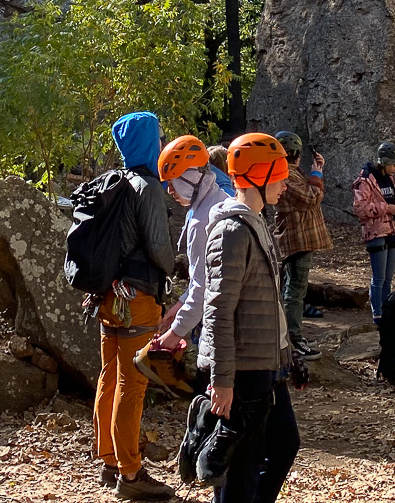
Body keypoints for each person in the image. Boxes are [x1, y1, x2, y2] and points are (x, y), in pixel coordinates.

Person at [201, 133, 300, 503]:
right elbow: (218, 310)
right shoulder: (231, 231)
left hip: (265, 364)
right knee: (239, 469)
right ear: (258, 175)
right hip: (241, 371)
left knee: (284, 443)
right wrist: (222, 381)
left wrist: (289, 355)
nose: (286, 182)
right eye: (280, 174)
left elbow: (266, 301)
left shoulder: (255, 222)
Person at [95, 112, 177, 501]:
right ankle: (130, 474)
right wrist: (174, 268)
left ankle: (110, 461)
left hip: (108, 295)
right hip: (139, 298)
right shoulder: (148, 187)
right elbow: (159, 248)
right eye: (158, 138)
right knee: (133, 383)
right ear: (149, 143)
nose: (162, 144)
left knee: (109, 376)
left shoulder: (112, 183)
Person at [150, 135, 233, 356]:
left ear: (192, 177)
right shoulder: (224, 199)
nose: (170, 191)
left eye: (173, 181)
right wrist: (178, 308)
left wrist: (173, 335)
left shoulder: (202, 221)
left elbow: (202, 288)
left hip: (226, 328)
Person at [270, 131, 331, 360]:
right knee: (294, 292)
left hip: (299, 238)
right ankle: (293, 340)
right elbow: (310, 197)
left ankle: (292, 336)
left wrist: (315, 171)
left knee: (293, 289)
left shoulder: (289, 173)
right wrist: (317, 173)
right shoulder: (284, 175)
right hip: (297, 239)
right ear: (295, 153)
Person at [351, 141, 395, 323]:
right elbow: (361, 208)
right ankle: (378, 315)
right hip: (375, 233)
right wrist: (388, 208)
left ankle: (387, 312)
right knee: (379, 277)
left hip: (391, 230)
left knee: (388, 279)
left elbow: (390, 200)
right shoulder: (365, 179)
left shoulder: (389, 179)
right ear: (383, 162)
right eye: (394, 164)